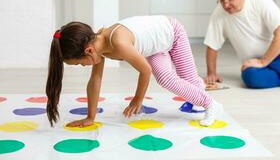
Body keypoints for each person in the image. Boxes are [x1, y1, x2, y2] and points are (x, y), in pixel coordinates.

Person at [46, 15, 223, 128]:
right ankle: (198, 89)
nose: (84, 67)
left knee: (179, 79)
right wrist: (90, 117)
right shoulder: (99, 45)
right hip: (155, 47)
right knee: (166, 78)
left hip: (173, 34)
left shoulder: (118, 42)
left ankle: (210, 104)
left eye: (79, 64)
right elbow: (95, 81)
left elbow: (145, 70)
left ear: (89, 51)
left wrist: (137, 99)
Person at [204, 0, 280, 89]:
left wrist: (263, 62)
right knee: (251, 78)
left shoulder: (261, 2)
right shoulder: (219, 13)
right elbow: (212, 45)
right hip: (254, 64)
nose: (226, 4)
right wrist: (211, 73)